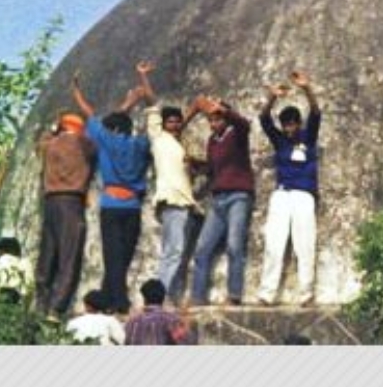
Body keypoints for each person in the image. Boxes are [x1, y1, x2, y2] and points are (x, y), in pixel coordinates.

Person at [70, 67, 153, 314]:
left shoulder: (107, 140)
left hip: (112, 204)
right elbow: (153, 111)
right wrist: (139, 90)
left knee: (113, 258)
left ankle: (120, 302)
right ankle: (108, 299)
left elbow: (89, 114)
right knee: (123, 258)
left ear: (113, 130)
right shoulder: (141, 144)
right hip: (133, 206)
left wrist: (76, 90)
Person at [134, 62, 200, 305]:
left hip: (185, 203)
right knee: (173, 252)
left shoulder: (179, 146)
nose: (175, 124)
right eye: (170, 121)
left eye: (177, 121)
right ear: (163, 124)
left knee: (175, 252)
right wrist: (143, 77)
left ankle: (167, 295)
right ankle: (158, 299)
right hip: (172, 201)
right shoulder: (159, 138)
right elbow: (152, 104)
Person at [256, 70, 323, 307]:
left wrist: (306, 88)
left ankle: (306, 293)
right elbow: (264, 119)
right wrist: (272, 98)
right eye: (285, 125)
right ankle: (267, 293)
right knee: (274, 244)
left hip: (304, 195)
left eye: (291, 124)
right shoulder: (280, 141)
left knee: (305, 244)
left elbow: (316, 112)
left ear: (298, 124)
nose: (288, 129)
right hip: (282, 194)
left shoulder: (308, 137)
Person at [189, 94, 257, 306]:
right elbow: (212, 169)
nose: (213, 124)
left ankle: (234, 295)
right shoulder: (212, 141)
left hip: (238, 196)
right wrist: (196, 164)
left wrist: (224, 109)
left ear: (225, 119)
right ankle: (198, 297)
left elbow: (244, 124)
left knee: (234, 245)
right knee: (202, 249)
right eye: (210, 120)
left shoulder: (236, 133)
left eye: (217, 119)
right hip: (218, 198)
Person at [33, 109, 97, 319]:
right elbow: (97, 142)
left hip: (50, 201)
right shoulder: (84, 144)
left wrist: (54, 128)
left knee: (47, 254)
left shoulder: (50, 145)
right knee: (69, 257)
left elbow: (41, 141)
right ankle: (56, 308)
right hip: (71, 201)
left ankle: (41, 304)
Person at [124, 279, 194, 345]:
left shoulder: (133, 322)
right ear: (163, 298)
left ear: (144, 299)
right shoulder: (172, 320)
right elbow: (186, 342)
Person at [0, 235, 34, 308]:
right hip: (18, 304)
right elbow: (29, 288)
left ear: (0, 250)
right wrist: (25, 308)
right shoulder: (25, 264)